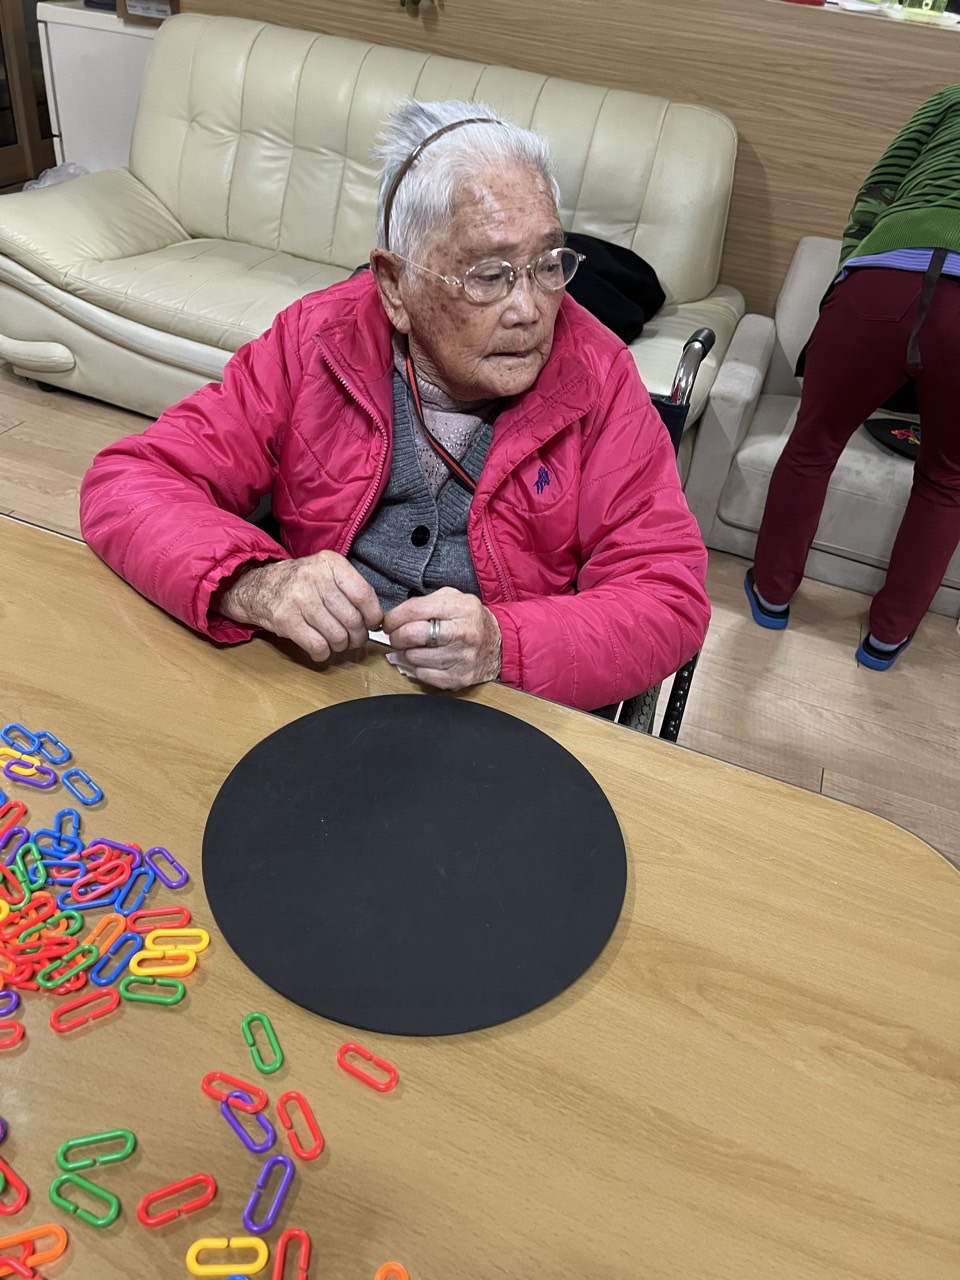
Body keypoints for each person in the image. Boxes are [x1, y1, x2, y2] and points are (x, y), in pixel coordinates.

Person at [80, 99, 709, 712]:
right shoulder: (316, 342)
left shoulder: (597, 378)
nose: (529, 310)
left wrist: (502, 643)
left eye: (547, 265)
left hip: (497, 709)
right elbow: (130, 482)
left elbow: (668, 597)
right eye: (488, 276)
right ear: (394, 285)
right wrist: (256, 582)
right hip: (316, 683)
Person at [745, 85, 960, 670]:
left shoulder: (950, 98)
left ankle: (771, 594)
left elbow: (880, 186)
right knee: (947, 481)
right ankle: (887, 637)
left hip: (884, 274)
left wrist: (852, 271)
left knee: (811, 446)